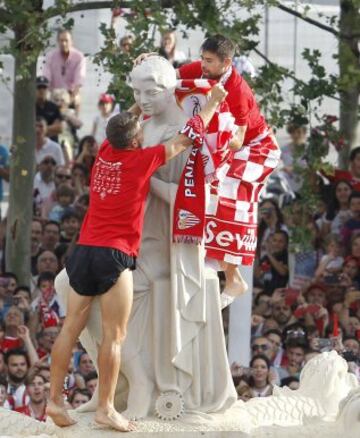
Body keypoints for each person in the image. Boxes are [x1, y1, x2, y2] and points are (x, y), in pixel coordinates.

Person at [46, 84, 228, 431]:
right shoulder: (142, 160)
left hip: (82, 251)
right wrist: (213, 104)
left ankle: (55, 400)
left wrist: (134, 105)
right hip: (115, 256)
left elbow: (126, 120)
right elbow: (187, 138)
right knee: (115, 337)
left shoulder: (103, 153)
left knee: (70, 328)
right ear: (135, 140)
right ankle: (106, 409)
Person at [136, 34, 280, 300]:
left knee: (223, 190)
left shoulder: (239, 90)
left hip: (256, 149)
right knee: (209, 185)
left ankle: (231, 275)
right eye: (202, 58)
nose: (202, 64)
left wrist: (201, 137)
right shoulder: (200, 69)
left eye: (209, 61)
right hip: (220, 142)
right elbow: (168, 76)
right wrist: (151, 61)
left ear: (226, 63)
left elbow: (237, 140)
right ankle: (218, 265)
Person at [43, 29, 86, 113]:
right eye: (61, 40)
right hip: (55, 93)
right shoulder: (50, 56)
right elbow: (46, 78)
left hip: (71, 93)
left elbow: (79, 79)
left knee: (78, 98)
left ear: (71, 41)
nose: (63, 43)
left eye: (66, 40)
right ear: (58, 41)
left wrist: (71, 98)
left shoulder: (79, 57)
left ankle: (75, 124)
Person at [35, 76, 63, 143]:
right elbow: (28, 129)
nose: (42, 90)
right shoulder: (30, 107)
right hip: (34, 144)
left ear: (47, 89)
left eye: (44, 88)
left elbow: (59, 128)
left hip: (52, 143)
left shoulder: (53, 107)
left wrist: (41, 129)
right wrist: (50, 129)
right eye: (39, 87)